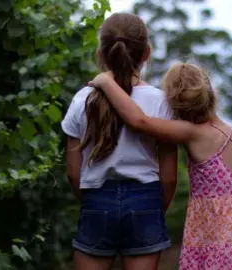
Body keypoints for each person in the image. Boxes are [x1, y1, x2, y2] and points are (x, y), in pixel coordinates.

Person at [88, 63, 232, 269]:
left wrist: (106, 82)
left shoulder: (192, 133)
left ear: (175, 103)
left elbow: (139, 121)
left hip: (219, 242)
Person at [61, 13, 178, 270]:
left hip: (96, 198)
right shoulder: (161, 102)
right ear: (146, 53)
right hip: (146, 200)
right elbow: (169, 177)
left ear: (101, 54)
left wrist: (95, 203)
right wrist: (155, 209)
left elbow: (73, 172)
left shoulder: (82, 99)